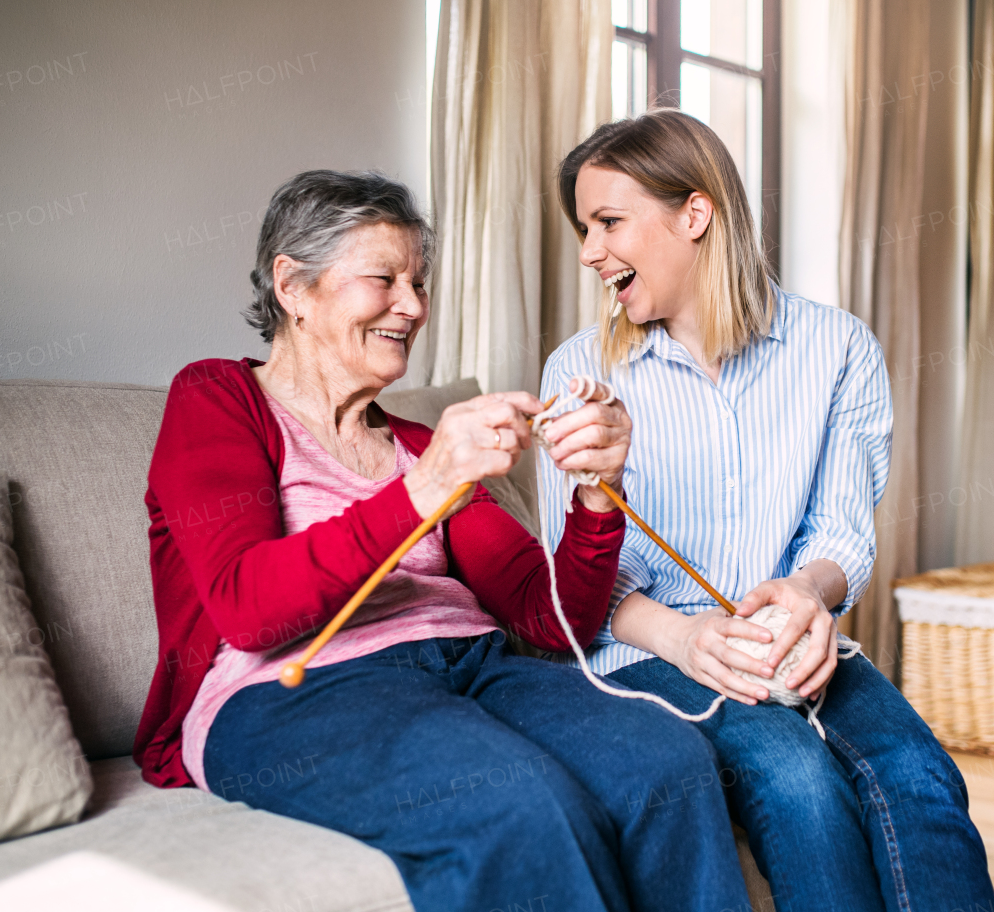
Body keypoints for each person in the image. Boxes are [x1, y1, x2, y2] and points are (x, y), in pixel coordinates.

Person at [133, 170, 752, 912]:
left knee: (669, 763)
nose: (413, 306)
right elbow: (247, 609)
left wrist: (595, 493)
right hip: (293, 693)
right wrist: (427, 486)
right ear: (293, 287)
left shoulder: (420, 441)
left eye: (419, 282)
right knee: (518, 805)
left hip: (475, 665)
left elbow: (548, 619)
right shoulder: (218, 398)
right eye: (384, 279)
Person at [538, 110, 994, 912]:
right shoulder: (579, 372)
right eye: (584, 228)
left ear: (695, 214)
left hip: (796, 637)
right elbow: (580, 583)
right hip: (654, 650)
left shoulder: (839, 348)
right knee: (799, 785)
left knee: (924, 778)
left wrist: (804, 596)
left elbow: (841, 532)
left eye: (608, 222)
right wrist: (688, 639)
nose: (589, 252)